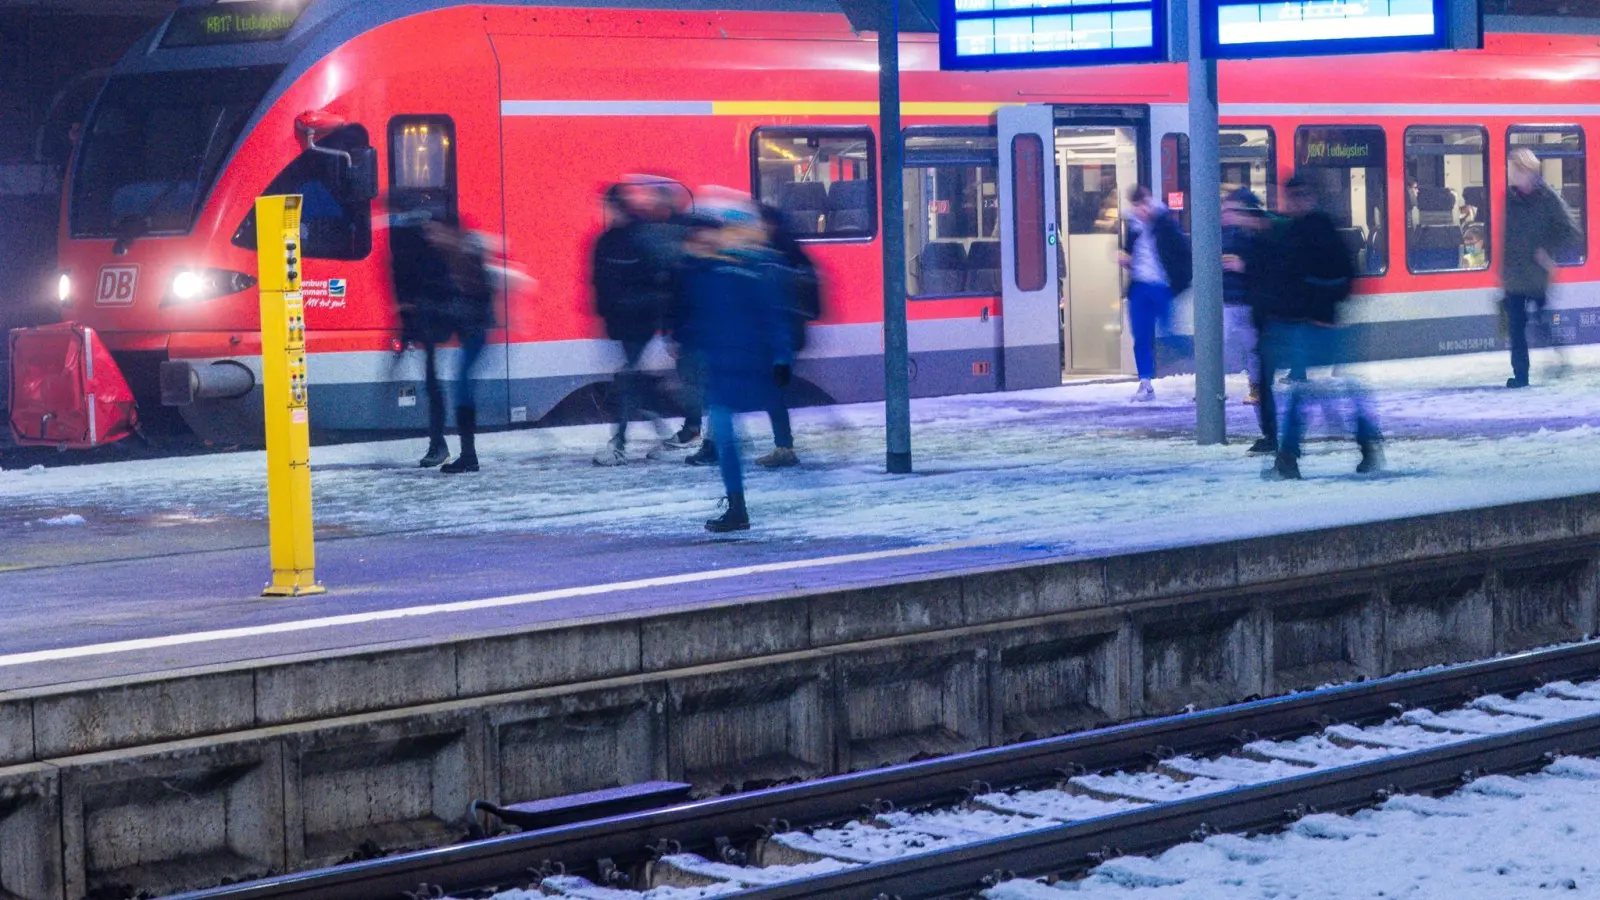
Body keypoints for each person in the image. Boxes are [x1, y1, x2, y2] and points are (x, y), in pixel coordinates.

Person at [677, 191, 793, 532]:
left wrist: (781, 354)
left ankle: (740, 504)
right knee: (726, 438)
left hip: (745, 363)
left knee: (729, 436)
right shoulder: (713, 270)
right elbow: (698, 317)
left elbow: (772, 318)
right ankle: (737, 506)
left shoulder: (750, 271)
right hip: (725, 366)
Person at [1265, 176, 1380, 481]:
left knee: (1308, 393)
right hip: (1310, 323)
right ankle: (1365, 444)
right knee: (1325, 391)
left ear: (1308, 198)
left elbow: (1334, 277)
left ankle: (1289, 457)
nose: (1290, 203)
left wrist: (1317, 310)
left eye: (1296, 197)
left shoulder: (1315, 231)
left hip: (1316, 324)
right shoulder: (1304, 230)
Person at [590, 182, 675, 465]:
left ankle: (620, 443)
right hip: (627, 321)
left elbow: (653, 279)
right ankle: (662, 434)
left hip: (638, 320)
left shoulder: (623, 238)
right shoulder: (624, 237)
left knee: (627, 380)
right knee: (632, 379)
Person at [1503, 147, 1579, 389]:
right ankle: (1521, 376)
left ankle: (1559, 355)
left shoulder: (1548, 198)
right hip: (1515, 274)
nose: (1511, 174)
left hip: (1536, 274)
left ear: (1527, 170)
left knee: (1543, 320)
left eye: (1514, 170)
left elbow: (1570, 231)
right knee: (1516, 327)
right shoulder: (1509, 198)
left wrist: (1547, 250)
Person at [1118, 185, 1191, 401]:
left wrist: (1179, 284)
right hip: (1139, 286)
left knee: (1169, 332)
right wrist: (1125, 259)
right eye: (1137, 206)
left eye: (1144, 204)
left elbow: (1182, 253)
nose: (1141, 210)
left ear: (1150, 201)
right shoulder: (1132, 227)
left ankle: (1196, 367)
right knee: (1141, 335)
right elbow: (1130, 253)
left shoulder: (1165, 224)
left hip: (1161, 285)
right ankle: (1145, 382)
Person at [1222, 188, 1265, 405]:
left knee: (1252, 348)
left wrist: (1243, 266)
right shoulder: (1223, 235)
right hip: (1228, 299)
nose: (1226, 214)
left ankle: (1256, 387)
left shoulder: (1253, 235)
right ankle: (1211, 386)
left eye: (1231, 210)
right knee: (1219, 345)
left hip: (1247, 300)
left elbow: (1264, 267)